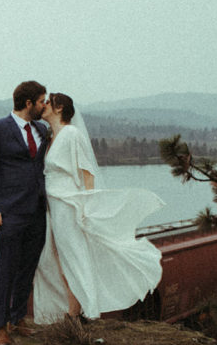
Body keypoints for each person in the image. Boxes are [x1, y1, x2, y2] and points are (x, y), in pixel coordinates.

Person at [32, 92, 164, 324]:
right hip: (52, 204)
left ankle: (86, 309)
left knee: (73, 255)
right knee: (56, 257)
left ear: (59, 108)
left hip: (67, 203)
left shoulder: (72, 134)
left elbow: (87, 172)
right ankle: (73, 307)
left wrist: (87, 205)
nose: (43, 106)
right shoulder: (52, 136)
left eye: (47, 103)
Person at [0, 81, 49, 345]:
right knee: (6, 269)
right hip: (9, 212)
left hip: (38, 210)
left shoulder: (42, 129)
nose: (45, 105)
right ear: (28, 103)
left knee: (28, 268)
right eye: (42, 101)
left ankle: (18, 319)